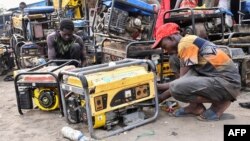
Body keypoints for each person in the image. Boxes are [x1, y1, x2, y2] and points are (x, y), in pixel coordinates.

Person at [152, 23, 241, 121]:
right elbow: (184, 78)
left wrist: (158, 92)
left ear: (171, 38)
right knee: (174, 60)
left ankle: (220, 103)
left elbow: (181, 81)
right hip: (224, 80)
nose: (165, 51)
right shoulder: (189, 40)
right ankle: (195, 106)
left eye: (164, 46)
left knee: (176, 88)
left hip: (228, 84)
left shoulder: (185, 44)